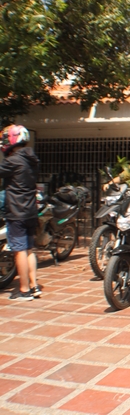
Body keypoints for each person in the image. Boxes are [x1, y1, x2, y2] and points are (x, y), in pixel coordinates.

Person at [0, 125, 41, 301]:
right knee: (29, 249)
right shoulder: (31, 159)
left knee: (19, 251)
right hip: (31, 211)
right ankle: (34, 285)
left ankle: (24, 290)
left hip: (17, 211)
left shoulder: (13, 161)